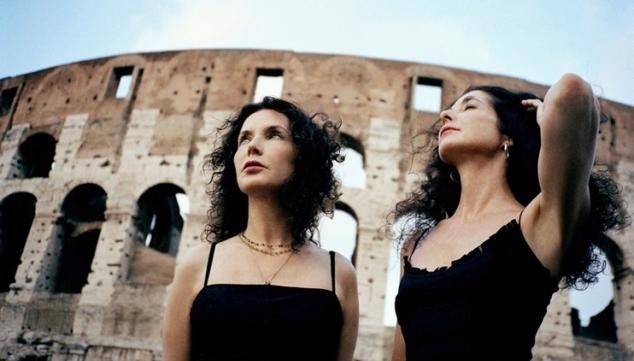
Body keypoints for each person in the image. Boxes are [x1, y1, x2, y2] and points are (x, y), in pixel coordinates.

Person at [390, 74, 628, 360]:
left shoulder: (539, 225)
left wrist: (544, 120)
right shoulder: (417, 242)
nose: (445, 113)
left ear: (508, 135)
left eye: (469, 107)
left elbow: (573, 92)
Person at [162, 97, 359, 361]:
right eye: (244, 139)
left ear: (302, 156)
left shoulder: (340, 273)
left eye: (274, 135)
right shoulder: (198, 265)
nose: (252, 147)